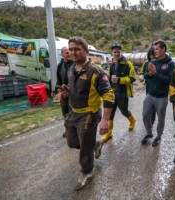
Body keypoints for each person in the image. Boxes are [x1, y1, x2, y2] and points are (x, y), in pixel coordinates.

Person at [62, 37, 114, 190]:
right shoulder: (71, 69)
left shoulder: (96, 71)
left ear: (86, 51)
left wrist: (105, 119)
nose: (73, 52)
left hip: (89, 115)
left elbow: (109, 95)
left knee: (84, 148)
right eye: (70, 49)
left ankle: (87, 172)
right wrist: (66, 92)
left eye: (77, 49)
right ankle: (96, 144)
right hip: (73, 113)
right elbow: (75, 89)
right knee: (72, 142)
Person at [100, 42, 136, 143]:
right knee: (110, 114)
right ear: (112, 53)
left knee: (124, 111)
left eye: (118, 52)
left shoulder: (128, 64)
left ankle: (132, 121)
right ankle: (109, 133)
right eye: (115, 52)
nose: (116, 54)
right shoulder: (111, 65)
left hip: (123, 94)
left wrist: (120, 80)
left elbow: (133, 78)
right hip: (112, 93)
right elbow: (108, 78)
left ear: (121, 52)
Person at [141, 40, 175, 146]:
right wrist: (151, 74)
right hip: (150, 95)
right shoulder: (152, 62)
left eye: (157, 49)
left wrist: (156, 73)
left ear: (163, 49)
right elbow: (145, 75)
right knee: (145, 115)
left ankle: (159, 136)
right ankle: (149, 133)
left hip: (162, 97)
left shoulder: (170, 63)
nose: (154, 51)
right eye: (154, 49)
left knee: (161, 119)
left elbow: (170, 80)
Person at [51, 47, 73, 137]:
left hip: (73, 94)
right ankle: (68, 130)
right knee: (65, 112)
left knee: (73, 113)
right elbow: (58, 80)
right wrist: (55, 91)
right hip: (63, 95)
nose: (69, 54)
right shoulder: (60, 65)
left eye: (69, 52)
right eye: (67, 53)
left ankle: (73, 132)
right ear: (62, 54)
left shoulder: (75, 64)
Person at [139, 46, 156, 125]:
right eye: (151, 54)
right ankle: (148, 120)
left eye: (154, 54)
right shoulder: (146, 63)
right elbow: (142, 72)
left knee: (154, 106)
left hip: (157, 88)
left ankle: (151, 122)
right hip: (148, 87)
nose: (152, 56)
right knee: (148, 105)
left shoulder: (158, 62)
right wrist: (141, 77)